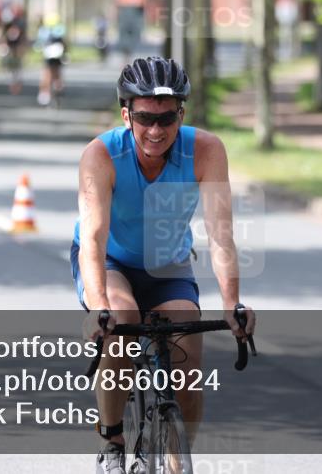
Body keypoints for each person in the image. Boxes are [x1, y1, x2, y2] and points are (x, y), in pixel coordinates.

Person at [73, 56, 256, 474]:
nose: (156, 130)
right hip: (110, 261)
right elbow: (94, 240)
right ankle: (113, 439)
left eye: (167, 119)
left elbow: (221, 234)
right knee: (121, 321)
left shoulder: (206, 151)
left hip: (168, 265)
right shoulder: (100, 155)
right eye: (144, 119)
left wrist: (233, 304)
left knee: (188, 370)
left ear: (182, 115)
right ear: (126, 115)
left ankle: (176, 457)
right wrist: (99, 308)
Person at [36, 14, 67, 106]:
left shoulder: (43, 31)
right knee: (57, 73)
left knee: (46, 74)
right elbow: (64, 43)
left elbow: (39, 44)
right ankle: (58, 87)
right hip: (58, 56)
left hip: (48, 56)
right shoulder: (60, 29)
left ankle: (44, 93)